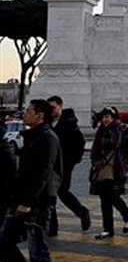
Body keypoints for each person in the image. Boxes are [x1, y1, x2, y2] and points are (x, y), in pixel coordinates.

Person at [0, 99, 61, 262]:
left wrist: (26, 202)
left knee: (38, 249)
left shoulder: (47, 138)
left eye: (28, 111)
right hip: (23, 199)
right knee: (4, 242)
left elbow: (42, 174)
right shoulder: (32, 136)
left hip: (37, 202)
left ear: (40, 115)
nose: (25, 114)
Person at [46, 96, 90, 236]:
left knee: (62, 192)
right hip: (50, 164)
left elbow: (80, 143)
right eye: (49, 108)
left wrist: (72, 161)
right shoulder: (48, 123)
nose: (51, 111)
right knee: (50, 194)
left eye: (53, 108)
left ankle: (82, 212)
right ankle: (52, 227)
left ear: (61, 106)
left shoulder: (69, 123)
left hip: (64, 164)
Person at [88, 108, 128, 239]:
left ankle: (127, 215)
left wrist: (124, 165)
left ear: (113, 117)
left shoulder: (123, 128)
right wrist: (95, 162)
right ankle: (108, 229)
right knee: (104, 198)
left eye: (107, 117)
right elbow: (95, 149)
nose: (105, 120)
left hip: (117, 168)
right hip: (102, 168)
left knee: (113, 196)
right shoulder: (101, 130)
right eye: (103, 117)